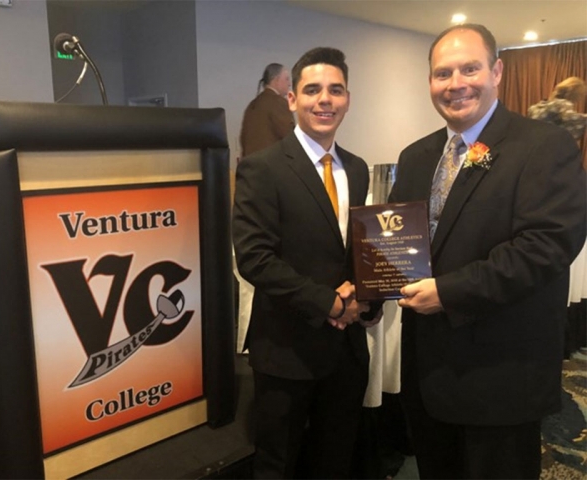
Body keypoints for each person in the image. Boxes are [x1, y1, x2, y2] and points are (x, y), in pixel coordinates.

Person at [389, 24, 586, 479]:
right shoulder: (417, 156)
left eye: (469, 68)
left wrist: (450, 292)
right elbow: (401, 244)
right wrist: (368, 286)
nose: (456, 84)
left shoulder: (543, 145)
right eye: (442, 74)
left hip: (500, 374)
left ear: (497, 71)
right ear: (430, 82)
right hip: (428, 370)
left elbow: (547, 245)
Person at [232, 47, 381, 479]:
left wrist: (365, 299)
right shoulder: (263, 168)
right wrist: (330, 304)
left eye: (335, 90)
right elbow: (255, 260)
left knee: (334, 457)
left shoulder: (356, 168)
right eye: (312, 90)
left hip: (346, 351)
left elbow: (355, 249)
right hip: (286, 349)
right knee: (278, 463)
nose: (325, 100)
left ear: (348, 99)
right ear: (292, 99)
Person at [239, 63, 295, 157]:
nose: (289, 84)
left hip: (249, 168)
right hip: (273, 168)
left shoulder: (251, 106)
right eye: (286, 79)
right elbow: (291, 140)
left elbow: (243, 141)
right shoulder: (279, 102)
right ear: (276, 80)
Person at [528, 76, 587, 146]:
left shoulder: (542, 105)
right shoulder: (563, 104)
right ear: (574, 94)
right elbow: (570, 117)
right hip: (551, 145)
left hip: (536, 143)